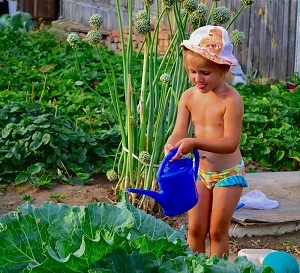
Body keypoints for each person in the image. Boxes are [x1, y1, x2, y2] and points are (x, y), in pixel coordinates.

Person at [164, 25, 248, 258]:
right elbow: (179, 131)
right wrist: (172, 145)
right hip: (199, 172)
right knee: (196, 229)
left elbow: (230, 142)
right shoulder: (189, 97)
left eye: (205, 73)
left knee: (217, 231)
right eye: (192, 71)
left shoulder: (231, 100)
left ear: (222, 68)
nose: (197, 79)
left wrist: (195, 143)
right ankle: (194, 267)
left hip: (227, 174)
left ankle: (217, 268)